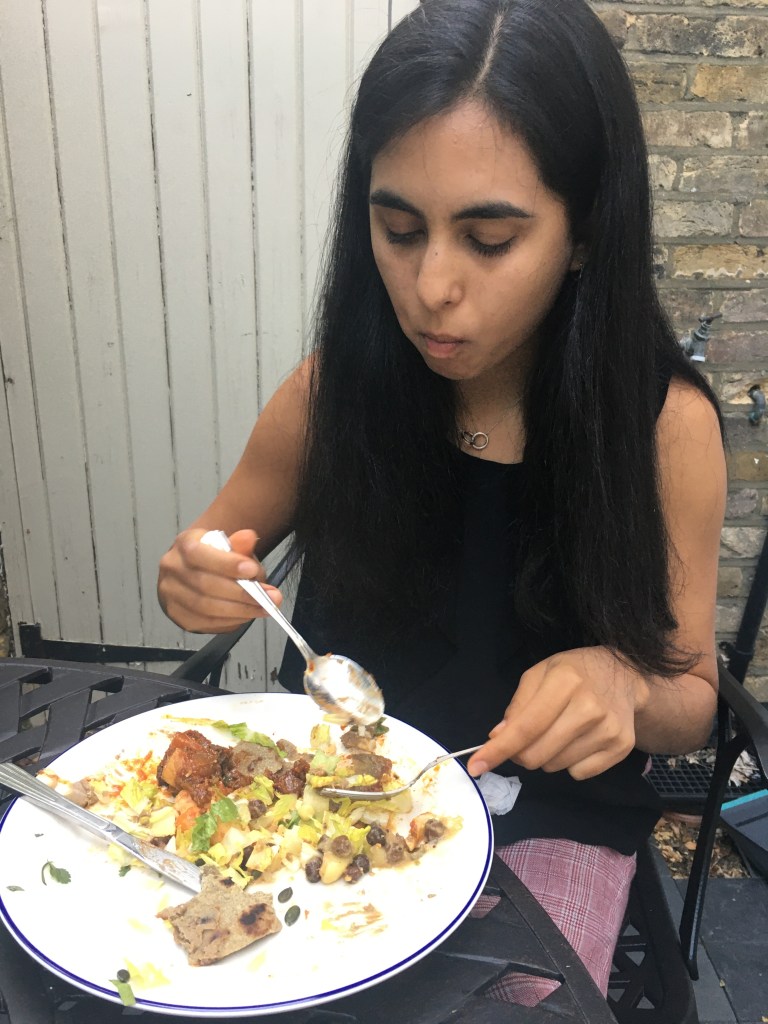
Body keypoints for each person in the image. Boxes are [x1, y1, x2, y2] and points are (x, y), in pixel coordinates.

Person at [158, 0, 726, 1006]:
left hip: (548, 821)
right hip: (328, 797)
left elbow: (692, 697)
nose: (430, 286)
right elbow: (204, 552)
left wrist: (626, 687)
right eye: (399, 229)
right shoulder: (329, 395)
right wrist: (195, 576)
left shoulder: (661, 429)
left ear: (584, 232)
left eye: (489, 239)